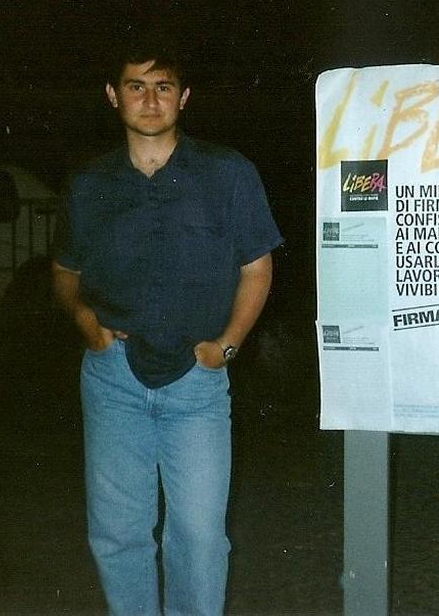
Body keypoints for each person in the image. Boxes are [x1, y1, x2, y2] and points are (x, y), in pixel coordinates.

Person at [52, 34, 282, 616]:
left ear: (184, 97)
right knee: (119, 534)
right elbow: (64, 270)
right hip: (113, 380)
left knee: (201, 538)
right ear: (113, 95)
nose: (150, 101)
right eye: (136, 87)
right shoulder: (90, 184)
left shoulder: (227, 173)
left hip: (195, 384)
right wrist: (84, 319)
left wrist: (226, 347)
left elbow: (257, 267)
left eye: (163, 87)